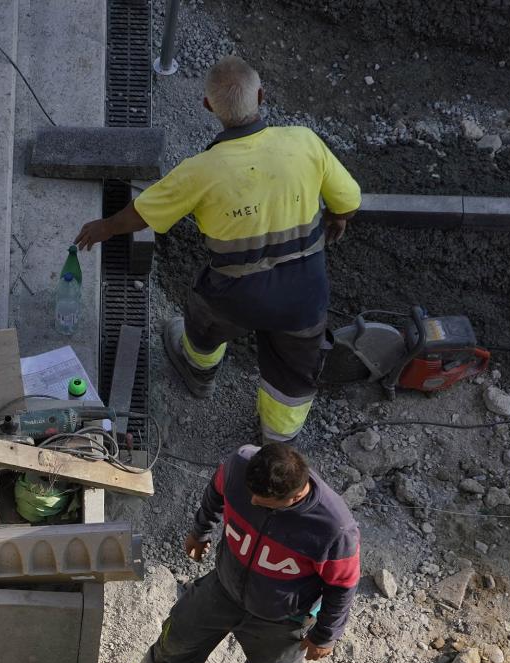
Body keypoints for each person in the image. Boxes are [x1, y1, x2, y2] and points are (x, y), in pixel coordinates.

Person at [74, 55, 361, 444]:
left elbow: (142, 213)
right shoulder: (304, 143)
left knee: (203, 320)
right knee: (294, 372)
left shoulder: (199, 171)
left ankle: (198, 371)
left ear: (208, 106)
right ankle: (278, 441)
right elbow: (348, 200)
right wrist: (337, 218)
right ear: (261, 95)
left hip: (235, 296)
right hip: (304, 294)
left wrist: (104, 227)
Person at [96, 443, 359, 663]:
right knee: (180, 633)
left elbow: (342, 586)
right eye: (250, 492)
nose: (251, 500)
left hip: (282, 615)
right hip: (225, 585)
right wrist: (200, 530)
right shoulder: (239, 466)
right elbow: (216, 491)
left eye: (262, 501)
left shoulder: (334, 528)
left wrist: (325, 635)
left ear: (295, 496)